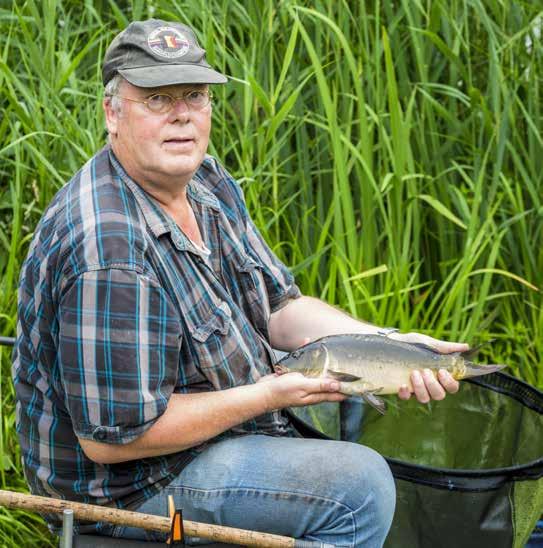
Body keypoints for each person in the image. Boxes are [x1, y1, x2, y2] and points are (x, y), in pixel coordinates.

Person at [13, 19, 467, 547]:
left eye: (194, 95)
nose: (181, 114)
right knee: (358, 488)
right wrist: (268, 396)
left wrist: (389, 344)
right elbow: (115, 442)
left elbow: (278, 306)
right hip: (128, 489)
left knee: (353, 430)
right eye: (157, 99)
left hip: (224, 428)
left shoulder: (203, 177)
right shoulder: (111, 249)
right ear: (113, 113)